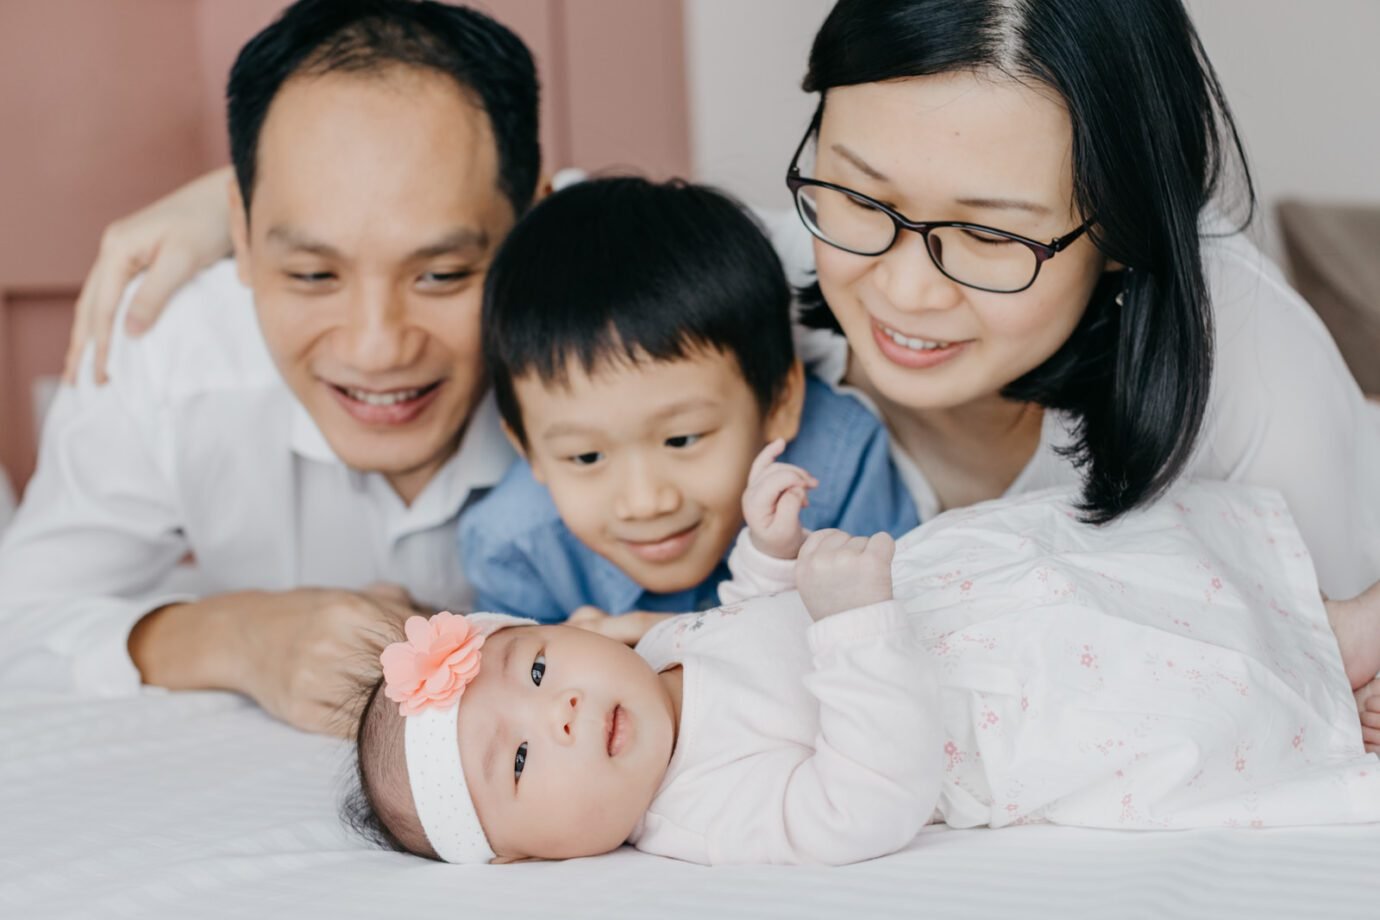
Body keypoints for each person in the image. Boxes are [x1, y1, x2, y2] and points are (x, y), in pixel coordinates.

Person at [64, 0, 1380, 604]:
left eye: (991, 237)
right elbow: (569, 228)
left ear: (1127, 235)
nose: (902, 290)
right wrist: (235, 211)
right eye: (857, 193)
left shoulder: (1254, 391)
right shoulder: (785, 277)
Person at [345, 454, 1380, 866]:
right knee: (1186, 671)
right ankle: (1335, 659)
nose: (560, 710)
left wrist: (769, 549)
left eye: (532, 669)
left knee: (1163, 577)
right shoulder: (699, 815)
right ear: (530, 859)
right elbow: (866, 798)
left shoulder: (656, 652)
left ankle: (1332, 628)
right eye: (518, 762)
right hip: (1003, 699)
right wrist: (848, 626)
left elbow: (746, 617)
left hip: (972, 597)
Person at [0, 0, 538, 735]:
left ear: (536, 229)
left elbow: (753, 249)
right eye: (315, 276)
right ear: (241, 240)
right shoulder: (166, 346)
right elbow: (20, 623)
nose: (377, 348)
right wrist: (243, 636)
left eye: (441, 274)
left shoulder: (632, 310)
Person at [461, 177, 917, 627]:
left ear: (781, 401)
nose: (645, 502)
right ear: (526, 448)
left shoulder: (841, 468)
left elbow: (904, 626)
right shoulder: (515, 547)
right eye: (586, 456)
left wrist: (684, 651)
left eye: (681, 439)